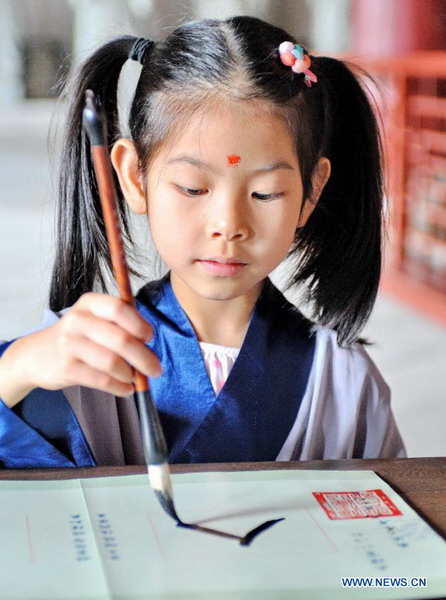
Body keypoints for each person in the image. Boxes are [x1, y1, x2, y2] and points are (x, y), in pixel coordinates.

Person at [0, 16, 405, 468]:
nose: (228, 225)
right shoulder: (71, 355)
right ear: (135, 178)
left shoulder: (344, 380)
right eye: (193, 188)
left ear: (311, 192)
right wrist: (14, 369)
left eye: (265, 193)